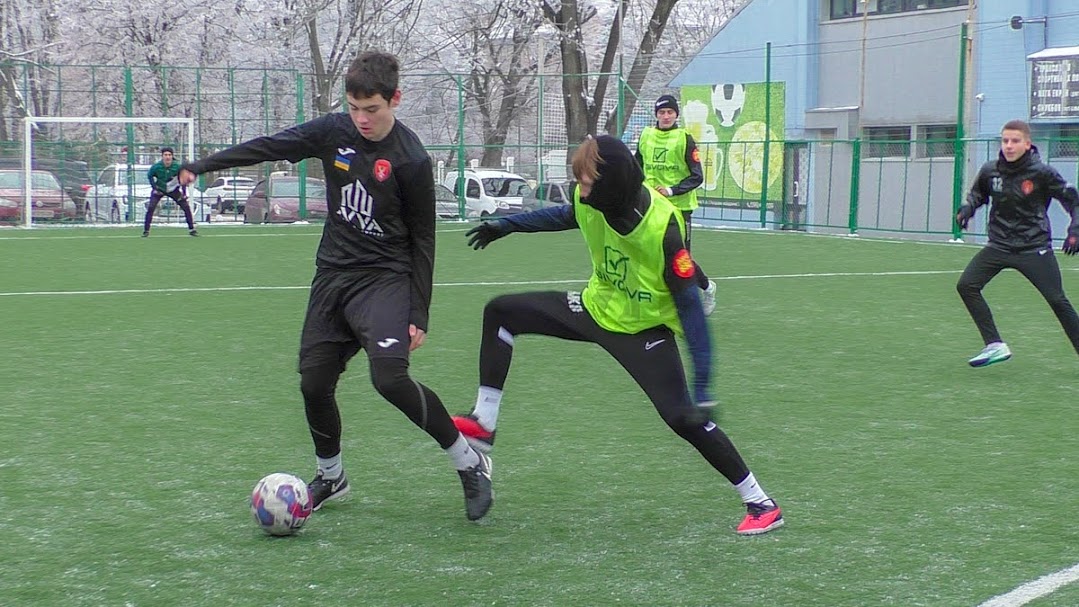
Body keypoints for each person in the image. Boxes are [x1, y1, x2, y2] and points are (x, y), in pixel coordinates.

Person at [178, 51, 493, 521]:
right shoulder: (333, 131)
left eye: (372, 109)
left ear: (395, 100)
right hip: (333, 276)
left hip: (385, 280)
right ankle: (332, 476)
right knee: (313, 383)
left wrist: (418, 312)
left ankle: (469, 462)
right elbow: (272, 146)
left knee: (389, 379)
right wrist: (203, 165)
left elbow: (424, 238)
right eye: (354, 108)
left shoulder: (411, 160)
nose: (362, 119)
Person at [452, 135, 783, 535]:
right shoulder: (592, 200)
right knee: (501, 313)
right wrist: (508, 226)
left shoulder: (662, 229)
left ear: (612, 184)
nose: (580, 190)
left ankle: (761, 503)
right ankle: (484, 424)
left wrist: (705, 388)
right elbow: (562, 215)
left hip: (642, 328)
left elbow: (693, 314)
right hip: (595, 308)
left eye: (588, 182)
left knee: (682, 418)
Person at [956, 118, 1079, 367]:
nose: (1009, 146)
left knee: (1057, 300)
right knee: (966, 285)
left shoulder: (1042, 173)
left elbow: (1073, 201)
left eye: (1015, 141)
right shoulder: (991, 170)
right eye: (1005, 141)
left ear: (1027, 144)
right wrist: (968, 208)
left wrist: (1075, 231)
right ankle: (995, 345)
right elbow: (978, 193)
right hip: (998, 245)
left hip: (1033, 248)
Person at [635, 94, 717, 315]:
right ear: (656, 115)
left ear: (676, 115)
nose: (666, 116)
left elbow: (697, 176)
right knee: (652, 253)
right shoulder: (645, 135)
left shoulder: (685, 139)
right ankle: (660, 301)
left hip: (679, 207)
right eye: (662, 112)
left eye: (670, 112)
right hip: (651, 206)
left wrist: (670, 190)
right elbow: (636, 168)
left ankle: (707, 288)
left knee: (681, 257)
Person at [144, 147, 198, 237]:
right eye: (165, 155)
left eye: (169, 155)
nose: (167, 157)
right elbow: (150, 176)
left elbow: (183, 179)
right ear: (162, 156)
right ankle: (146, 230)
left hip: (173, 190)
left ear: (172, 156)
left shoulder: (177, 167)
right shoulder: (156, 167)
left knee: (186, 206)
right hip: (160, 190)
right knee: (151, 207)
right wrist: (155, 188)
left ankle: (192, 229)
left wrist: (184, 193)